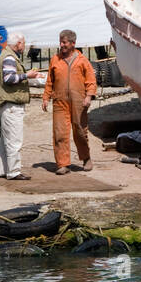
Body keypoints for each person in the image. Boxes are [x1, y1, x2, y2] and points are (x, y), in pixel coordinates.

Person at [43, 29, 96, 174]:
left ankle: (86, 158)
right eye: (60, 42)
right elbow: (50, 81)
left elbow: (91, 80)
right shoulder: (55, 59)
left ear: (73, 43)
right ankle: (62, 164)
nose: (62, 45)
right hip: (60, 100)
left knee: (80, 131)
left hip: (79, 101)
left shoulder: (82, 60)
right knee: (59, 132)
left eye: (64, 42)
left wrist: (89, 96)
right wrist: (46, 97)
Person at [0, 32, 40, 180]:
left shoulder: (7, 55)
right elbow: (9, 78)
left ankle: (4, 170)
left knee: (7, 141)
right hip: (11, 105)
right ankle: (14, 171)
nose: (24, 46)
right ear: (18, 44)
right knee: (14, 141)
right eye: (23, 43)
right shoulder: (10, 57)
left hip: (7, 104)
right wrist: (27, 76)